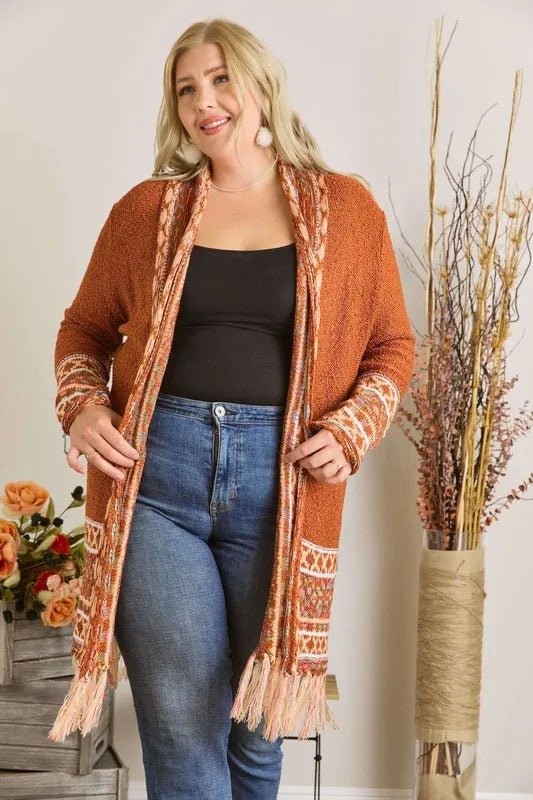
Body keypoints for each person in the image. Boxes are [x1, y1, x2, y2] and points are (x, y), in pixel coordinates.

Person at [52, 16, 416, 800]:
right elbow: (83, 329)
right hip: (155, 481)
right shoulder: (146, 211)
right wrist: (83, 408)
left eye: (220, 80)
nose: (204, 102)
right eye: (186, 89)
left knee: (257, 729)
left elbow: (391, 346)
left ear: (261, 86)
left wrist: (350, 431)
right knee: (182, 724)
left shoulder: (345, 210)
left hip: (284, 489)